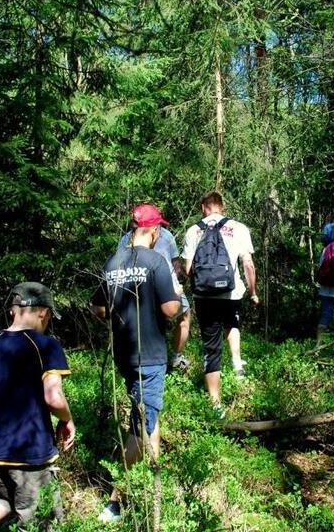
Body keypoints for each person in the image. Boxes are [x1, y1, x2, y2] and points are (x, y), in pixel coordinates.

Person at [91, 203, 181, 524]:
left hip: (125, 355)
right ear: (155, 231)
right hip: (151, 355)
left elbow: (99, 310)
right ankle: (116, 500)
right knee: (142, 426)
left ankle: (155, 487)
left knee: (145, 416)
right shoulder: (156, 262)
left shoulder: (112, 262)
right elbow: (171, 309)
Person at [0, 282, 75, 532]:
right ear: (43, 312)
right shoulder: (46, 345)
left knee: (4, 498)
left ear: (13, 310)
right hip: (31, 456)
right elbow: (53, 398)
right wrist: (67, 420)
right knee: (41, 523)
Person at [182, 191, 258, 414]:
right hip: (231, 293)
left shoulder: (193, 230)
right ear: (221, 207)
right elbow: (248, 264)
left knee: (211, 347)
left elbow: (188, 270)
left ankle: (216, 405)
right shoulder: (239, 228)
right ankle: (236, 362)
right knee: (232, 323)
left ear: (204, 207)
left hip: (204, 297)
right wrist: (253, 292)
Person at [117, 206, 192, 371]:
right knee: (183, 315)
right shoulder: (166, 235)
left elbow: (120, 264)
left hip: (137, 287)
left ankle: (137, 357)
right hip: (166, 286)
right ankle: (175, 356)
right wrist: (175, 285)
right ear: (154, 227)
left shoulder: (125, 239)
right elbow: (176, 264)